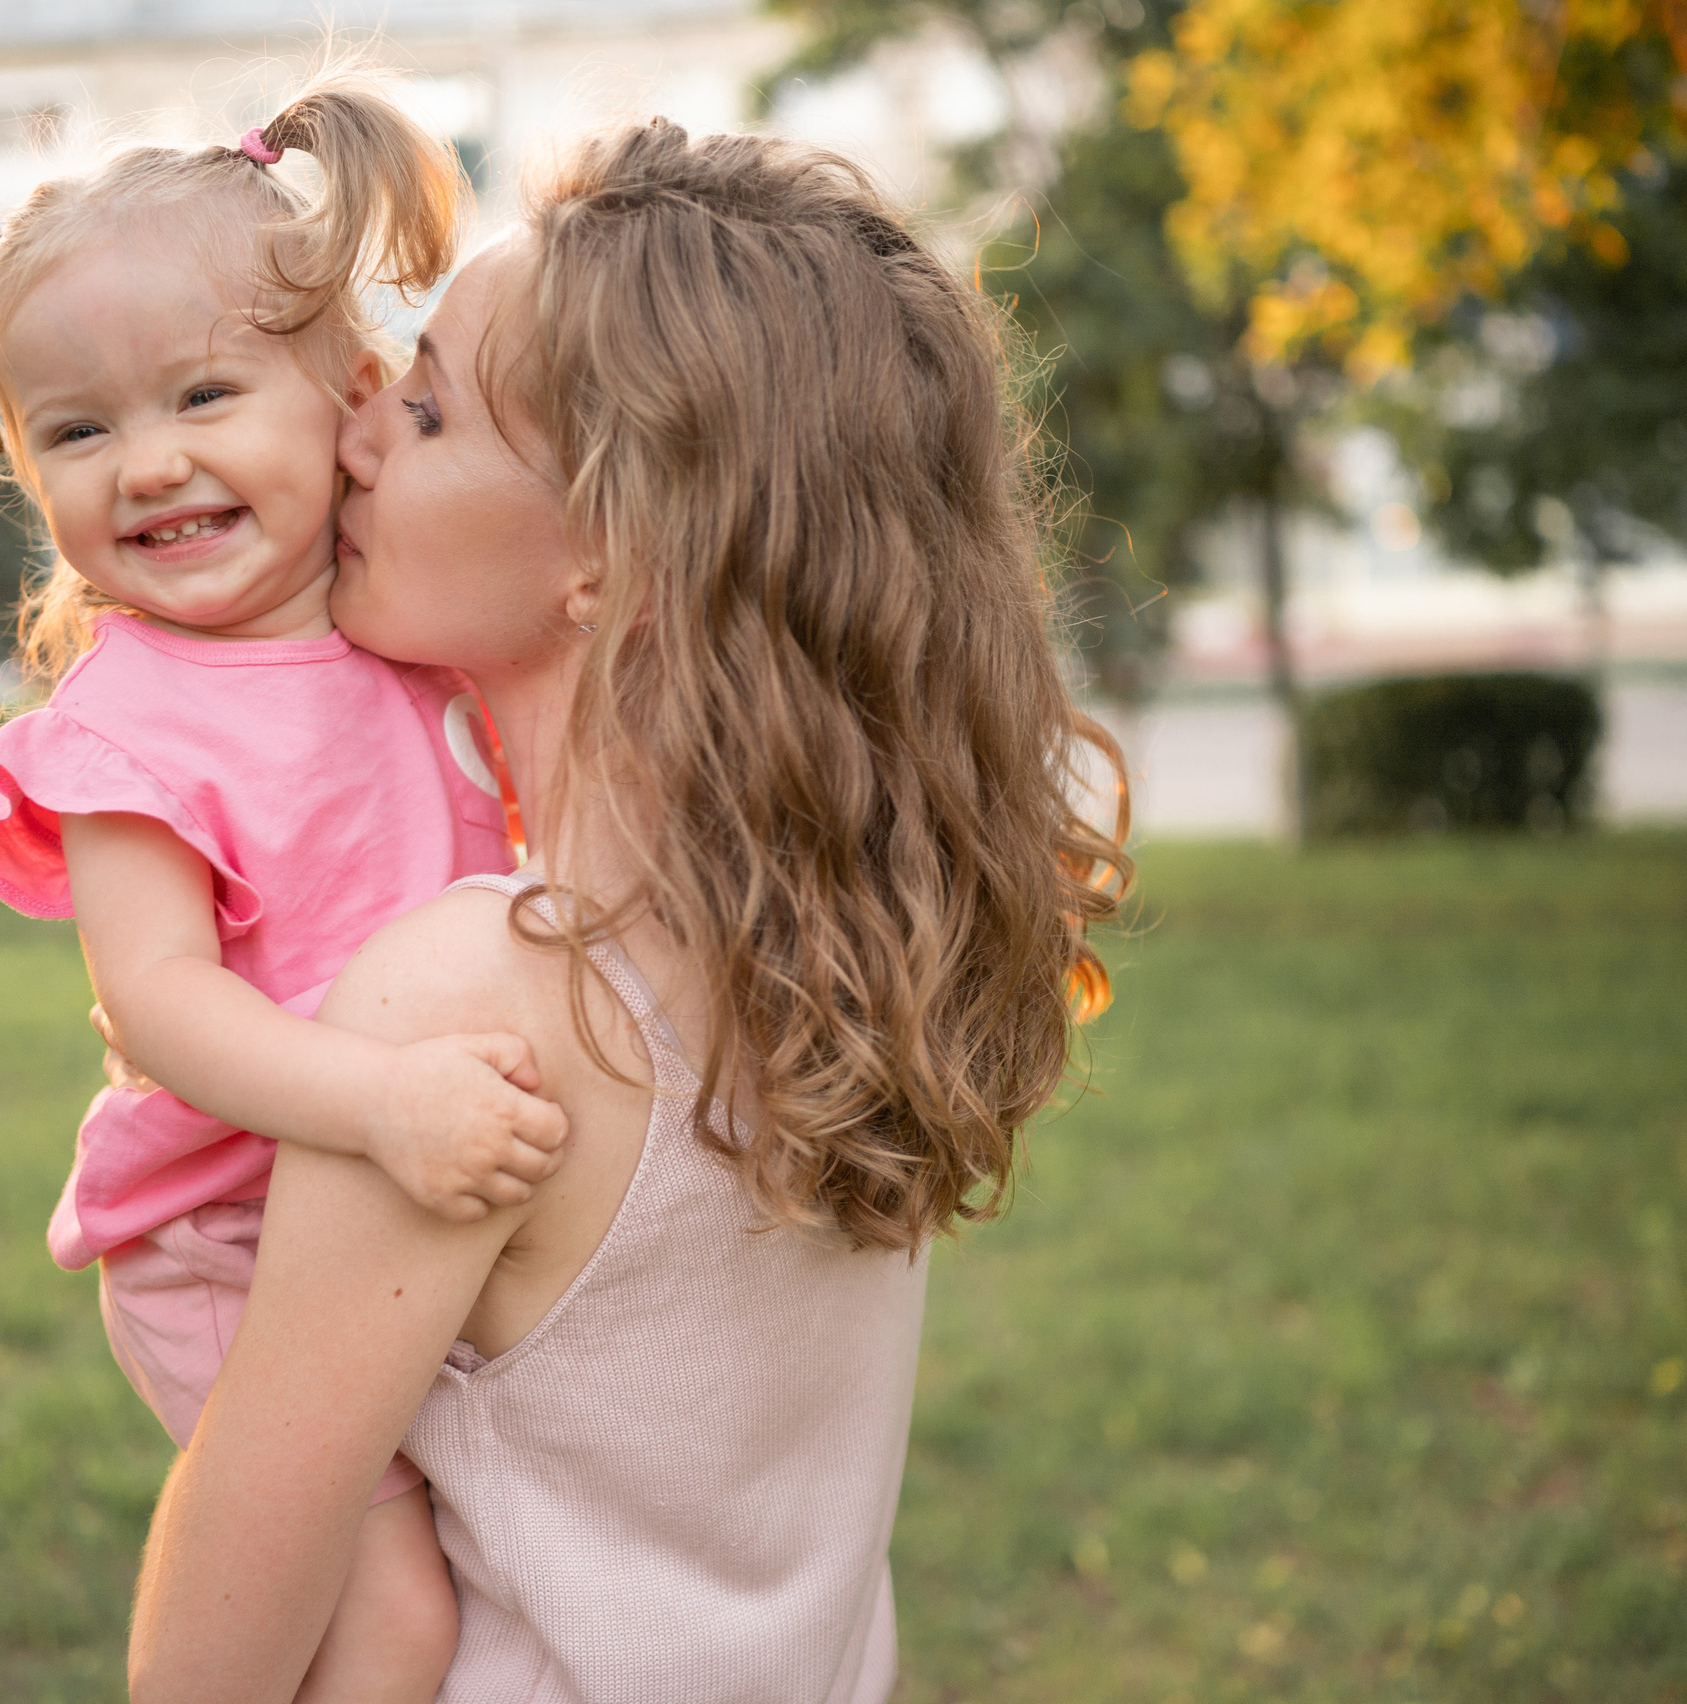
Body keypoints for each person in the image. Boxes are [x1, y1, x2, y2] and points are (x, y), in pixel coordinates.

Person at [125, 118, 1130, 1703]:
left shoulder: (468, 1004)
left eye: (429, 409)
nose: (354, 434)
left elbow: (212, 1660)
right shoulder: (843, 936)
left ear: (613, 556)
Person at [0, 71, 574, 1704]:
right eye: (77, 431)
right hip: (224, 1239)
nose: (147, 466)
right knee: (388, 1621)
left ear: (350, 396)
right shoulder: (129, 725)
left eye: (202, 394)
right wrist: (385, 1104)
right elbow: (161, 1007)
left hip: (391, 1202)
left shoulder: (407, 627)